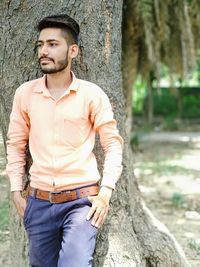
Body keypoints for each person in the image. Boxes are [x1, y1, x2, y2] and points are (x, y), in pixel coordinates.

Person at [6, 14, 123, 267]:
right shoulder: (25, 94)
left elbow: (112, 145)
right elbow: (15, 145)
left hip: (82, 203)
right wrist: (16, 191)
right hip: (38, 202)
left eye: (52, 44)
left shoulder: (92, 95)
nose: (43, 51)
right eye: (40, 45)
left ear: (73, 51)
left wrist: (105, 193)